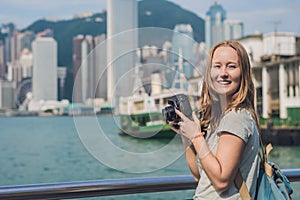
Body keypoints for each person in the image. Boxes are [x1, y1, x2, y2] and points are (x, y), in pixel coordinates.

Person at [170, 40, 260, 199]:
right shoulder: (219, 118)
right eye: (217, 66)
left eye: (231, 66)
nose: (223, 73)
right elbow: (200, 175)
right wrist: (186, 134)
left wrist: (197, 137)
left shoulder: (236, 117)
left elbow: (221, 181)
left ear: (243, 73)